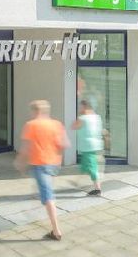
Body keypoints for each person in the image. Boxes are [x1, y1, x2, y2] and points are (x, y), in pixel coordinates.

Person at [15, 100, 69, 241]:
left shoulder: (31, 125)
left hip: (40, 164)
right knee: (44, 189)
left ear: (35, 111)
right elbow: (64, 144)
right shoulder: (56, 124)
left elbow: (25, 148)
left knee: (48, 196)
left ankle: (56, 231)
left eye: (31, 111)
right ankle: (39, 201)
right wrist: (57, 157)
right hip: (53, 164)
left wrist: (20, 162)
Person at [74, 99, 105, 196]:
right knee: (85, 166)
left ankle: (97, 189)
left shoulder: (82, 118)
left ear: (84, 107)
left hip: (88, 146)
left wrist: (79, 116)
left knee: (92, 168)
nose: (79, 109)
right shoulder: (96, 117)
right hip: (96, 144)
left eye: (80, 107)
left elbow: (74, 126)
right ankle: (79, 182)